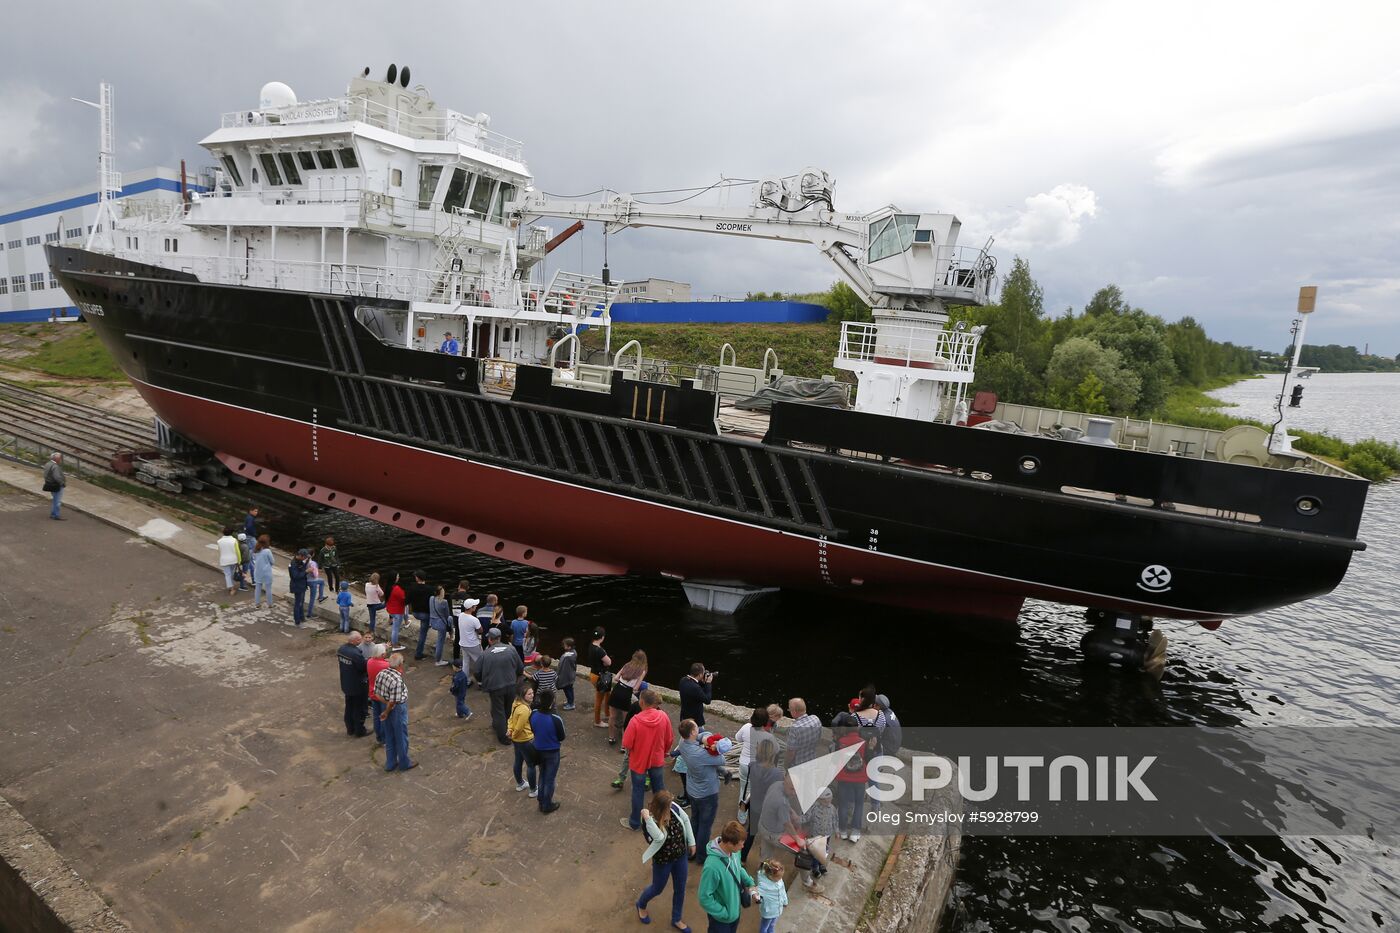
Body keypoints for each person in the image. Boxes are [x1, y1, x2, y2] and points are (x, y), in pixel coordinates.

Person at [636, 789, 695, 929]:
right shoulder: (649, 821)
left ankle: (676, 919)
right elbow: (659, 837)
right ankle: (641, 904)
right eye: (668, 806)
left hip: (680, 856)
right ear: (661, 807)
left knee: (680, 888)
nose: (672, 807)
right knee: (657, 888)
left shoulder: (673, 807)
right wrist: (648, 819)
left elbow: (685, 819)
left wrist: (691, 842)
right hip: (663, 861)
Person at [673, 719, 725, 863]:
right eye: (697, 728)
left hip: (692, 790)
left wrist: (705, 737)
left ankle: (691, 850)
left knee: (694, 820)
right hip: (707, 793)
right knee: (705, 825)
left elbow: (702, 736)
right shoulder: (701, 754)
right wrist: (717, 746)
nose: (699, 729)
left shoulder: (683, 744)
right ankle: (701, 856)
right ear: (693, 732)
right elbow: (721, 760)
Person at [621, 689, 672, 831]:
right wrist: (664, 751)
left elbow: (627, 743)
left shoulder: (635, 721)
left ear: (641, 702)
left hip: (638, 760)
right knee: (659, 789)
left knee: (637, 790)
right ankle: (663, 817)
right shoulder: (663, 716)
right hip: (656, 759)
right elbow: (669, 738)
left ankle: (635, 822)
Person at [698, 821, 757, 933]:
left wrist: (750, 883)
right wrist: (724, 913)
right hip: (721, 921)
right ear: (730, 843)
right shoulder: (711, 867)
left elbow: (738, 868)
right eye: (741, 844)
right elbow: (704, 897)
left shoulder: (734, 852)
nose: (743, 846)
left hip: (734, 913)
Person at [475, 628, 523, 745]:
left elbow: (477, 672)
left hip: (495, 687)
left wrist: (482, 681)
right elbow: (520, 668)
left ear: (490, 640)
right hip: (511, 684)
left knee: (498, 711)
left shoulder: (485, 654)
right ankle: (507, 728)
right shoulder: (512, 649)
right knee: (508, 709)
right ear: (500, 638)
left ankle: (503, 737)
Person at [741, 736, 783, 864]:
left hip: (754, 804)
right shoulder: (776, 773)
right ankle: (764, 864)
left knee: (750, 833)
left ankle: (742, 858)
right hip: (767, 808)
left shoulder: (752, 766)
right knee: (767, 838)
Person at [375, 653, 417, 772]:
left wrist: (385, 704)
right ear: (400, 664)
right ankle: (404, 763)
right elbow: (394, 702)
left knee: (389, 735)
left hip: (385, 704)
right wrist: (387, 711)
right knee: (401, 736)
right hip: (396, 708)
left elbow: (376, 693)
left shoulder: (381, 673)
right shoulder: (397, 680)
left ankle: (390, 763)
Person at [833, 712, 868, 842]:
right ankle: (855, 832)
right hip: (859, 778)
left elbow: (835, 760)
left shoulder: (841, 742)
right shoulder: (863, 742)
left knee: (843, 804)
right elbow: (867, 758)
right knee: (859, 804)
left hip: (844, 778)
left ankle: (842, 831)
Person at [530, 688, 566, 814]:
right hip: (552, 751)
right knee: (550, 778)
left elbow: (532, 728)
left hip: (538, 749)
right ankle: (547, 804)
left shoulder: (533, 713)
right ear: (552, 702)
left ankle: (541, 799)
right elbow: (562, 736)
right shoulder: (556, 719)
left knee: (542, 774)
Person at [734, 708, 770, 820]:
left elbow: (737, 738)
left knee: (744, 789)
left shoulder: (745, 727)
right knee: (751, 790)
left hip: (745, 765)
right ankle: (746, 811)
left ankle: (742, 814)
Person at [799, 787, 838, 889]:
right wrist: (796, 819)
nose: (828, 801)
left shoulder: (832, 808)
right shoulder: (814, 808)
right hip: (815, 836)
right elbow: (806, 818)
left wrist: (837, 831)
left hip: (827, 835)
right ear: (819, 799)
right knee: (815, 853)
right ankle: (815, 868)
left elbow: (835, 820)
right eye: (826, 800)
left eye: (830, 799)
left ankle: (822, 865)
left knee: (824, 851)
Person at [610, 650, 648, 745]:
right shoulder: (642, 671)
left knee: (612, 717)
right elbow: (635, 688)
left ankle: (611, 738)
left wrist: (623, 680)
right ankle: (624, 744)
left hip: (617, 690)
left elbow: (616, 678)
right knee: (626, 720)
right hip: (626, 693)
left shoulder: (626, 665)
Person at [508, 681, 538, 797]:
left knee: (518, 761)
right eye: (529, 694)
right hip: (525, 739)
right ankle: (533, 789)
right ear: (523, 695)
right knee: (531, 765)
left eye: (532, 693)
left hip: (517, 740)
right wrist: (513, 734)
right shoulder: (525, 710)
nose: (532, 695)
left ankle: (520, 783)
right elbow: (520, 728)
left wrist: (510, 730)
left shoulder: (515, 703)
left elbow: (510, 718)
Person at [336, 631, 369, 737]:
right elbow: (363, 668)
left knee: (349, 707)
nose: (361, 641)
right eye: (359, 639)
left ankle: (350, 729)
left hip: (346, 683)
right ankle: (359, 731)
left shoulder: (341, 649)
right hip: (358, 686)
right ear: (354, 641)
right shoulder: (356, 653)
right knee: (359, 708)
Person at [785, 698, 822, 767]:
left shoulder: (794, 729)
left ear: (794, 712)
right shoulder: (816, 719)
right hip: (812, 759)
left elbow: (791, 753)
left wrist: (785, 765)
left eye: (789, 709)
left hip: (798, 765)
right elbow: (818, 738)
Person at [406, 570, 434, 660]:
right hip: (426, 614)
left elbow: (407, 601)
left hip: (415, 613)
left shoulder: (412, 587)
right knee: (423, 633)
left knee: (424, 626)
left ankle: (419, 654)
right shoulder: (430, 589)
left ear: (417, 578)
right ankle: (418, 654)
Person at [366, 644, 390, 745]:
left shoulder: (369, 662)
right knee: (384, 716)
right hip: (383, 695)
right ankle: (384, 738)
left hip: (372, 693)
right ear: (383, 654)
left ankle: (379, 737)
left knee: (376, 716)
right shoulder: (386, 666)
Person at [588, 628, 612, 728]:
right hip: (601, 677)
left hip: (593, 674)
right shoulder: (600, 650)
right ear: (602, 637)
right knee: (599, 698)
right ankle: (597, 721)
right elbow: (609, 662)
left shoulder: (591, 646)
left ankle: (607, 713)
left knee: (607, 693)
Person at [756, 859, 789, 933]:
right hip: (768, 911)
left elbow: (783, 891)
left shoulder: (778, 879)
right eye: (778, 878)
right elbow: (755, 892)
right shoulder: (763, 885)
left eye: (781, 877)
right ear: (770, 876)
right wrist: (756, 897)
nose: (780, 879)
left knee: (772, 924)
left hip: (777, 909)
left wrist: (785, 901)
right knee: (764, 926)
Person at [679, 662, 715, 728]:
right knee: (694, 736)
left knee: (685, 736)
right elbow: (707, 700)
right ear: (700, 675)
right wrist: (708, 683)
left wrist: (703, 682)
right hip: (694, 721)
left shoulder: (683, 680)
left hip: (684, 716)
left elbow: (696, 689)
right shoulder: (695, 688)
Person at [457, 596, 483, 680]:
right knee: (480, 662)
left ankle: (465, 680)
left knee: (465, 662)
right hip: (473, 644)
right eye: (475, 606)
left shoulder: (460, 615)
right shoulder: (474, 619)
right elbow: (480, 630)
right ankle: (481, 681)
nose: (476, 606)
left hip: (463, 643)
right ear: (471, 608)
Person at [427, 585, 454, 666]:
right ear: (441, 593)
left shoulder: (431, 598)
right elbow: (447, 615)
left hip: (432, 622)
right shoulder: (444, 602)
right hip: (441, 624)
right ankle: (438, 661)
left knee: (440, 639)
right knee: (440, 642)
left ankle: (450, 634)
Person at [251, 534, 275, 610]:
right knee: (268, 588)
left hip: (257, 572)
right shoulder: (267, 551)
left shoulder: (255, 550)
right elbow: (272, 561)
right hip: (266, 572)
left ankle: (257, 604)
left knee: (257, 588)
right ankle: (270, 604)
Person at [385, 572, 408, 649]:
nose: (398, 577)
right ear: (394, 578)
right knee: (395, 629)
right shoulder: (396, 588)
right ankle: (394, 645)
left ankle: (393, 643)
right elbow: (404, 598)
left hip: (390, 609)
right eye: (397, 576)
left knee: (395, 627)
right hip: (397, 611)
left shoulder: (387, 586)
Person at [288, 549, 310, 626]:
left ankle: (302, 617)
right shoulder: (293, 563)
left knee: (301, 602)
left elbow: (301, 568)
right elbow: (295, 576)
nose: (305, 559)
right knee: (298, 604)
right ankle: (297, 621)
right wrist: (306, 572)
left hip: (302, 585)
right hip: (297, 586)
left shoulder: (299, 561)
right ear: (301, 556)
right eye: (304, 557)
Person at [216, 527, 241, 597]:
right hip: (233, 559)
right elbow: (237, 551)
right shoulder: (234, 540)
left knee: (227, 574)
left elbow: (220, 551)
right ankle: (232, 586)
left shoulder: (219, 541)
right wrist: (239, 560)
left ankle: (231, 588)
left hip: (224, 559)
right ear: (231, 533)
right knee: (232, 573)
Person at [42, 452, 66, 520]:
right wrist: (62, 483)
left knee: (55, 500)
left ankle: (53, 513)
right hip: (56, 485)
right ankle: (56, 515)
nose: (61, 460)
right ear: (57, 459)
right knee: (57, 501)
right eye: (60, 458)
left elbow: (45, 474)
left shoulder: (47, 464)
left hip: (50, 484)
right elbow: (57, 477)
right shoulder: (55, 466)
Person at [557, 638, 578, 710]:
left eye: (565, 645)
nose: (563, 646)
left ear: (569, 647)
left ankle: (571, 703)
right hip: (569, 675)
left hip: (568, 676)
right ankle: (569, 701)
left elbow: (563, 666)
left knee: (568, 690)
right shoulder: (573, 652)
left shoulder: (568, 657)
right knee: (567, 689)